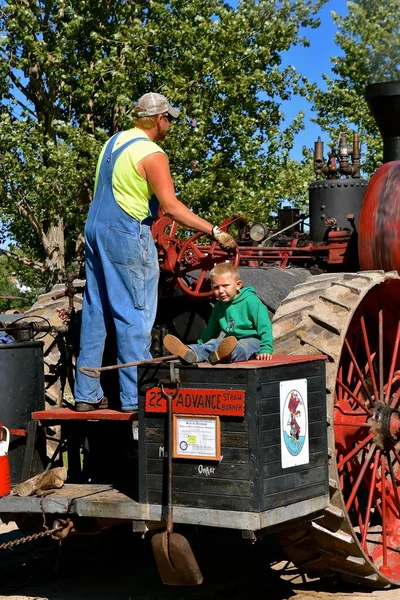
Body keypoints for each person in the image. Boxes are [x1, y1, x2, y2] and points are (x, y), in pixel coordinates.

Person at [74, 92, 236, 412]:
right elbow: (172, 208)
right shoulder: (152, 153)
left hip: (94, 231)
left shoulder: (113, 144)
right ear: (159, 120)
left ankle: (86, 393)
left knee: (95, 311)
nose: (170, 125)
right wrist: (214, 231)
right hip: (126, 232)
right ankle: (136, 399)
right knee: (135, 314)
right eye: (169, 119)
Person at [163, 262, 273, 365]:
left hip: (253, 340)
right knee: (214, 344)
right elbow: (211, 330)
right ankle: (192, 353)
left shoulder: (251, 301)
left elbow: (265, 327)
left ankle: (226, 355)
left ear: (238, 285)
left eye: (225, 286)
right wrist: (201, 343)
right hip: (230, 341)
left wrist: (266, 349)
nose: (220, 291)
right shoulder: (219, 306)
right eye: (216, 287)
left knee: (243, 346)